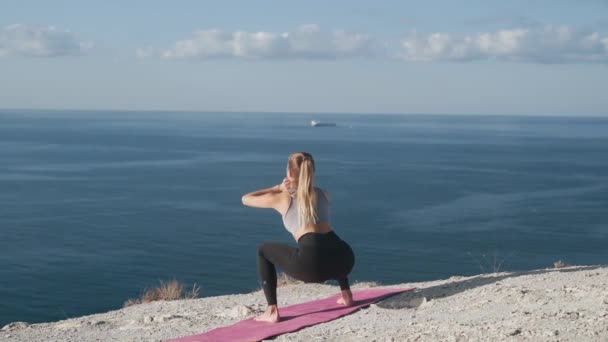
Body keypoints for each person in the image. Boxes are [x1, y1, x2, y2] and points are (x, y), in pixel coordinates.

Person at [241, 152, 356, 323]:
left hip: (313, 268)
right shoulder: (324, 194)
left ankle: (271, 311)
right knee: (329, 242)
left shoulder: (282, 198)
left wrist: (276, 188)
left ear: (290, 173)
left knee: (263, 250)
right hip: (344, 261)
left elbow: (246, 199)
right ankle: (346, 294)